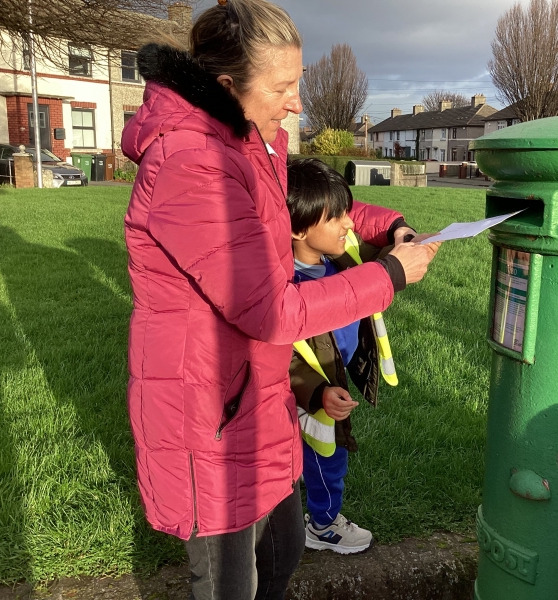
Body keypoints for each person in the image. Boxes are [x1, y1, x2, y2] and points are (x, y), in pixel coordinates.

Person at [120, 0, 439, 598]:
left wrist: (388, 226)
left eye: (299, 82)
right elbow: (272, 309)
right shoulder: (191, 163)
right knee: (231, 582)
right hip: (208, 415)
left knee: (283, 551)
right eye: (282, 87)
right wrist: (388, 277)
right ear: (226, 86)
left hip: (256, 398)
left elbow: (309, 201)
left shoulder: (249, 143)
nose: (296, 103)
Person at [285, 158, 399, 554]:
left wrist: (404, 234)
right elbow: (281, 355)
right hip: (311, 393)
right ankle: (323, 525)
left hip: (330, 379)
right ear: (298, 229)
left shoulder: (339, 253)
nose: (349, 224)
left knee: (309, 453)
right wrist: (317, 392)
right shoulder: (286, 287)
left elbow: (379, 242)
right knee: (326, 456)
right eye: (336, 217)